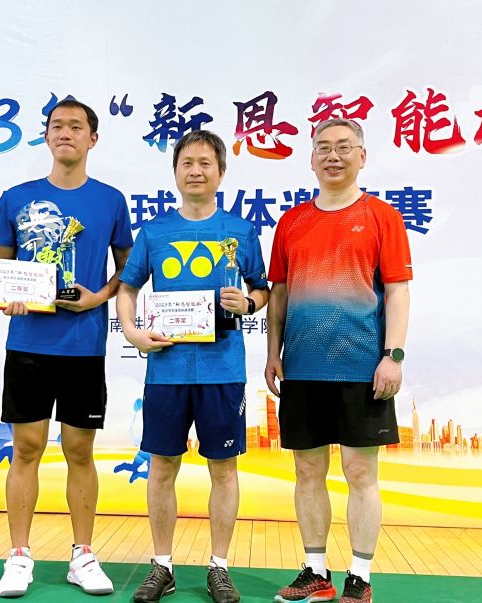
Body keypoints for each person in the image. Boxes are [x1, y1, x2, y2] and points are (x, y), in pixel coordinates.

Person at [117, 130, 270, 603]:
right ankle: (162, 565)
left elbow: (263, 288)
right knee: (162, 466)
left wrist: (248, 303)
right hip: (167, 370)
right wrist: (132, 332)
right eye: (187, 163)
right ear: (175, 173)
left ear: (221, 172)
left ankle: (219, 566)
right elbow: (127, 288)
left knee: (223, 469)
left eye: (206, 163)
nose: (196, 171)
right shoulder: (155, 232)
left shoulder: (241, 231)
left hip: (224, 371)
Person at [265, 118, 412, 603]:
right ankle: (315, 571)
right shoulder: (291, 222)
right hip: (302, 368)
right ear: (311, 159)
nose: (333, 156)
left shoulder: (382, 216)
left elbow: (397, 291)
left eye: (344, 147)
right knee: (308, 472)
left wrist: (392, 356)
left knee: (361, 473)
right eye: (323, 147)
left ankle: (360, 576)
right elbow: (280, 294)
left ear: (362, 157)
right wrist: (273, 353)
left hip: (362, 368)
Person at [0, 99, 133, 597]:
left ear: (93, 139)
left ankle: (83, 554)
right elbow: (3, 271)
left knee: (79, 450)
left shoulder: (111, 201)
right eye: (57, 125)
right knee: (25, 449)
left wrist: (98, 297)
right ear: (46, 135)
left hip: (84, 346)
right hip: (28, 344)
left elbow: (128, 269)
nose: (65, 133)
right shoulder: (16, 198)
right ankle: (19, 555)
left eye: (76, 126)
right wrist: (10, 298)